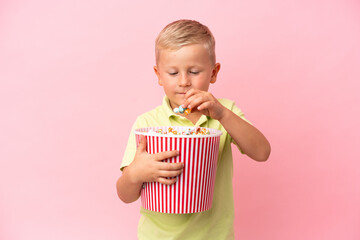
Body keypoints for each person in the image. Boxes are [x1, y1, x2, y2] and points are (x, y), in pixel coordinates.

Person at [116, 19, 271, 239]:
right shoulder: (147, 123)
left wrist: (223, 114)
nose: (183, 81)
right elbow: (125, 195)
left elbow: (262, 152)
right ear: (158, 75)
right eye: (172, 73)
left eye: (194, 71)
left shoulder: (225, 112)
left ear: (214, 72)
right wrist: (134, 173)